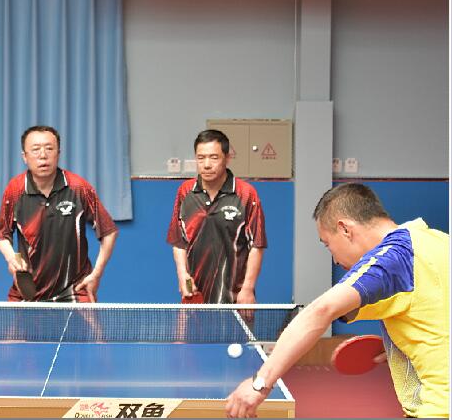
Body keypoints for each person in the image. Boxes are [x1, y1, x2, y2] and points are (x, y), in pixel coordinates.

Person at [226, 183, 449, 418]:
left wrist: (260, 383)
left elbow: (321, 311)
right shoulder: (439, 241)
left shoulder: (393, 257)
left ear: (345, 229)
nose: (333, 259)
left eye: (327, 244)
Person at [0, 125, 118, 302]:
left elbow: (109, 232)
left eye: (49, 148)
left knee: (91, 320)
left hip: (74, 289)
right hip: (29, 291)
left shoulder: (78, 187)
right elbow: (2, 235)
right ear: (24, 157)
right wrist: (11, 258)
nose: (43, 155)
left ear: (58, 153)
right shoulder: (15, 190)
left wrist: (96, 274)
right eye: (35, 149)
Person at [167, 129, 267, 304]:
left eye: (214, 157)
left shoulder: (246, 194)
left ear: (227, 158)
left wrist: (248, 289)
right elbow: (179, 242)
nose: (206, 164)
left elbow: (256, 245)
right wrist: (183, 276)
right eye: (201, 158)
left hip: (236, 298)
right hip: (194, 298)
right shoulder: (185, 191)